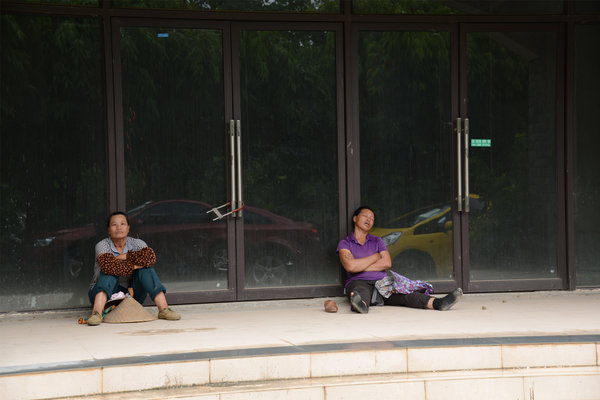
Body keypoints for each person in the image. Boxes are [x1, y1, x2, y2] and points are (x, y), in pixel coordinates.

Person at [337, 206, 462, 314]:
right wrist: (375, 257)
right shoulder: (345, 243)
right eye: (365, 216)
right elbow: (350, 267)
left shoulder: (377, 241)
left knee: (405, 295)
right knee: (360, 290)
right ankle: (361, 305)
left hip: (382, 283)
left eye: (372, 218)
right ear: (355, 218)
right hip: (358, 281)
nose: (369, 220)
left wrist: (359, 265)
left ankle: (438, 303)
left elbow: (387, 263)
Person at [86, 211, 180, 326]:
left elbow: (150, 259)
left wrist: (123, 257)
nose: (119, 227)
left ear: (128, 228)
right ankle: (96, 313)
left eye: (122, 224)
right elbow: (108, 266)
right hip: (106, 295)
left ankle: (164, 309)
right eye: (114, 225)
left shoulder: (137, 243)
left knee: (146, 269)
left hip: (132, 294)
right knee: (108, 272)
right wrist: (135, 263)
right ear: (108, 230)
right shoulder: (102, 245)